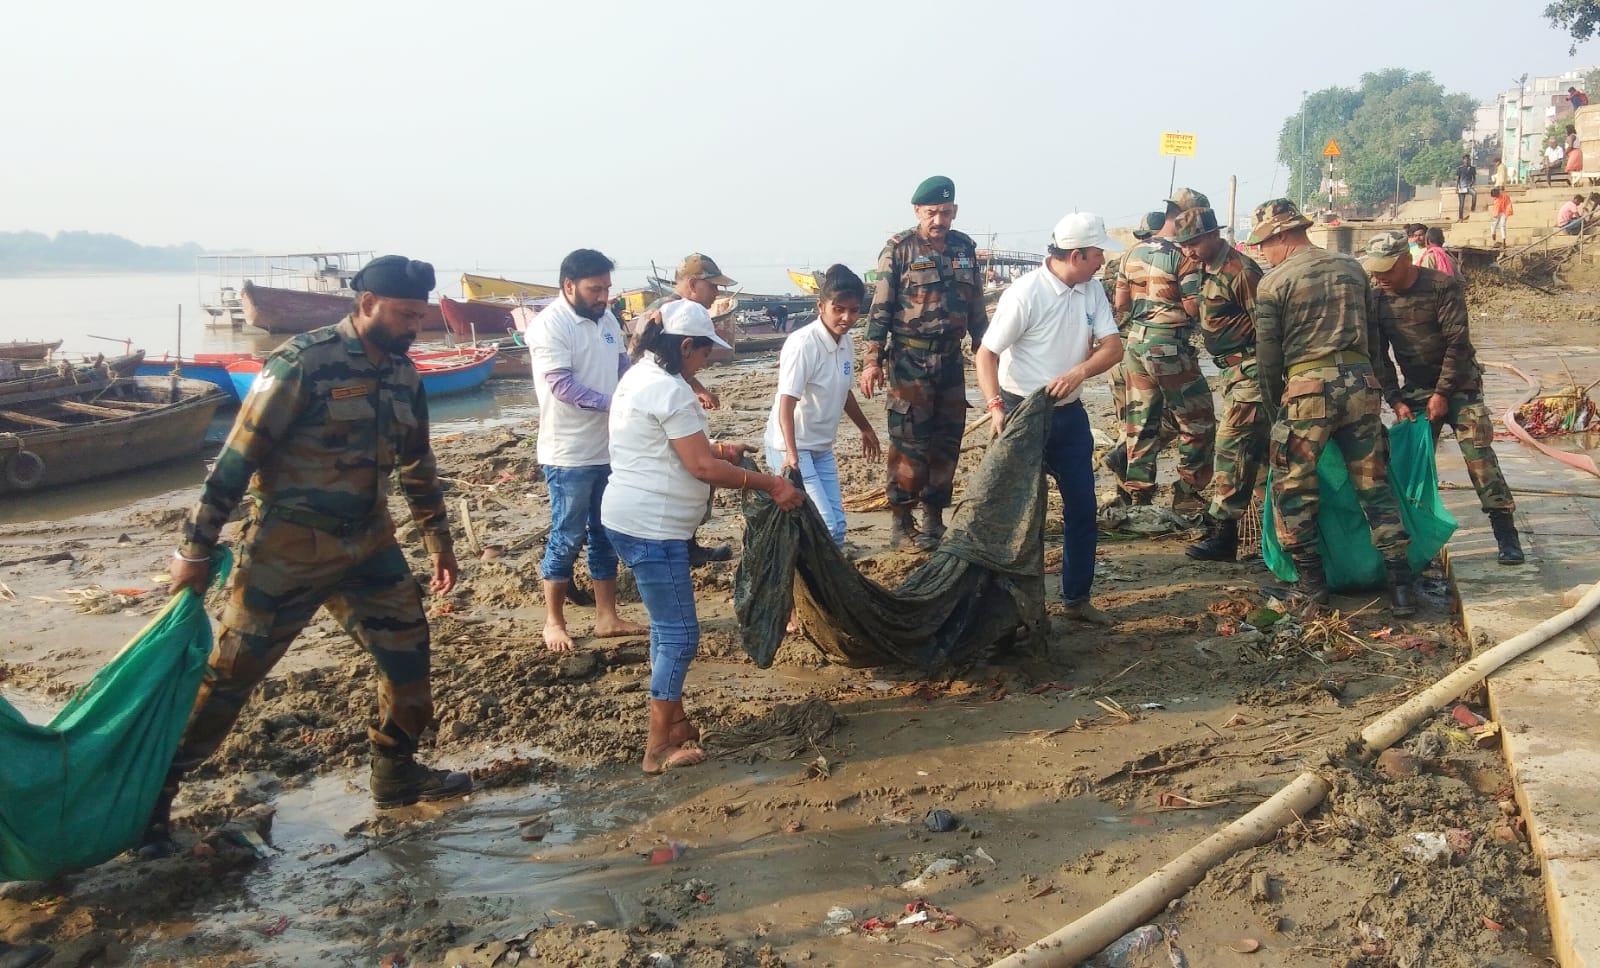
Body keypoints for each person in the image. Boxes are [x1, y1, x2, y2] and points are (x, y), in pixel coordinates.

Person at [152, 255, 472, 856]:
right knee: (228, 678)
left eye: (421, 316)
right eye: (405, 315)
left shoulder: (404, 374)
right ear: (368, 303)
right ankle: (151, 802)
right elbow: (235, 458)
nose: (415, 327)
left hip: (369, 544)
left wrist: (438, 538)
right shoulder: (303, 362)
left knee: (409, 661)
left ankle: (395, 775)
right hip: (286, 547)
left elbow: (417, 464)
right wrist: (194, 548)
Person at [603, 300, 803, 774]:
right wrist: (772, 484)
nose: (706, 363)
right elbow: (701, 468)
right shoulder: (669, 390)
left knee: (666, 630)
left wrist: (720, 448)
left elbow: (675, 448)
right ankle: (656, 748)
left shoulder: (639, 376)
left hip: (628, 517)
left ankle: (675, 723)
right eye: (703, 354)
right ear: (685, 346)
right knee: (681, 635)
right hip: (653, 527)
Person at [1246, 199, 1415, 614]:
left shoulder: (1273, 283)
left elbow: (1268, 358)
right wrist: (1381, 387)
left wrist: (1273, 414)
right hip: (1362, 384)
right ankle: (1402, 588)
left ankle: (1311, 586)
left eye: (1264, 243)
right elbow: (1374, 337)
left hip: (1309, 390)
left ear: (1282, 235)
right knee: (1374, 486)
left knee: (1295, 488)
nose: (1261, 252)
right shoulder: (1353, 269)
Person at [975, 213, 1125, 624]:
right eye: (1098, 255)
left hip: (1069, 413)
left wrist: (1079, 371)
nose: (1102, 262)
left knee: (1082, 506)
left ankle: (1076, 598)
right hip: (1021, 412)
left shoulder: (1091, 290)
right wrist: (994, 407)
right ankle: (1013, 607)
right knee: (1018, 512)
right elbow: (986, 354)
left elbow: (1113, 348)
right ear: (1076, 255)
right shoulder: (1025, 295)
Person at [1361, 231, 1524, 565]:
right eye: (1375, 271)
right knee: (1407, 461)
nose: (1380, 277)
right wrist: (1395, 399)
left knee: (1479, 457)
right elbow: (1379, 356)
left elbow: (1457, 344)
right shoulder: (1377, 299)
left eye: (1386, 270)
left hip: (1460, 384)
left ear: (1406, 260)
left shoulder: (1440, 287)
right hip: (1416, 390)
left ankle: (1506, 535)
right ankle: (1411, 538)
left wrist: (1442, 394)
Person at [528, 249, 649, 653]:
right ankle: (554, 621)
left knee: (604, 534)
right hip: (568, 453)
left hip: (608, 448)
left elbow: (621, 369)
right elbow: (562, 387)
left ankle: (606, 617)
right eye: (595, 289)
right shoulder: (550, 326)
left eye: (607, 289)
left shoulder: (609, 319)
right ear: (569, 286)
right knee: (566, 536)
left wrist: (634, 391)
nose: (603, 296)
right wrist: (615, 403)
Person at [859, 175, 988, 552]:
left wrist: (987, 347)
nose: (938, 220)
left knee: (946, 442)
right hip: (909, 361)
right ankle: (902, 523)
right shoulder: (898, 250)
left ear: (955, 212)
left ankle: (934, 519)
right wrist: (872, 361)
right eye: (932, 213)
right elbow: (879, 310)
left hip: (951, 360)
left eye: (945, 213)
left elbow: (976, 306)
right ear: (917, 211)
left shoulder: (964, 247)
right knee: (908, 443)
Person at [1172, 207, 1269, 562]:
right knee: (1259, 459)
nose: (1188, 251)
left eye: (1193, 243)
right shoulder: (1202, 269)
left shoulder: (1241, 271)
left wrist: (1270, 377)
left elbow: (1268, 328)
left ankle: (1223, 534)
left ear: (1214, 235)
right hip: (1230, 373)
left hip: (1251, 372)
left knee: (1231, 448)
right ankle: (1277, 533)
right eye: (1183, 245)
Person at [1112, 188, 1215, 512]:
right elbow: (1191, 307)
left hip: (1136, 346)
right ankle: (1186, 492)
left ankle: (1139, 492)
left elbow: (1121, 304)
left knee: (1141, 422)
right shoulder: (1184, 255)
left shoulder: (1132, 253)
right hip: (1168, 347)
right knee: (1197, 421)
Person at [764, 264, 881, 548]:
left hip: (821, 447)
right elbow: (786, 402)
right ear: (821, 306)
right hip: (792, 446)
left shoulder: (846, 342)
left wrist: (866, 429)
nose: (846, 318)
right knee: (824, 523)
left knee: (837, 527)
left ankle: (830, 585)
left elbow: (844, 392)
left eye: (854, 311)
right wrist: (791, 455)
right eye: (838, 309)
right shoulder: (803, 344)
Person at [634, 253, 739, 565]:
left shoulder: (672, 312)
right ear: (693, 285)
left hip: (655, 401)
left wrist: (697, 388)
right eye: (713, 287)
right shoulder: (667, 313)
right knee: (689, 471)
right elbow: (660, 363)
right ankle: (682, 547)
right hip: (652, 410)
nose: (717, 294)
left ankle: (687, 544)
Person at [1103, 210, 1170, 485]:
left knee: (1128, 427)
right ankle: (1129, 470)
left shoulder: (1119, 265)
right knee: (1159, 423)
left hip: (1116, 355)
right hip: (1147, 352)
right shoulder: (1170, 263)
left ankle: (1127, 490)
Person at [1454, 154, 1476, 222]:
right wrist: (1456, 188)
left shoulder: (1472, 168)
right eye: (1466, 159)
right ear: (1463, 160)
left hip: (1468, 187)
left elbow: (1474, 178)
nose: (1467, 161)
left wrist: (1471, 184)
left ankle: (1472, 208)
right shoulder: (1459, 168)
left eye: (1468, 159)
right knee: (1461, 204)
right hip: (1461, 187)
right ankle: (1460, 218)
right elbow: (1457, 179)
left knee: (1474, 193)